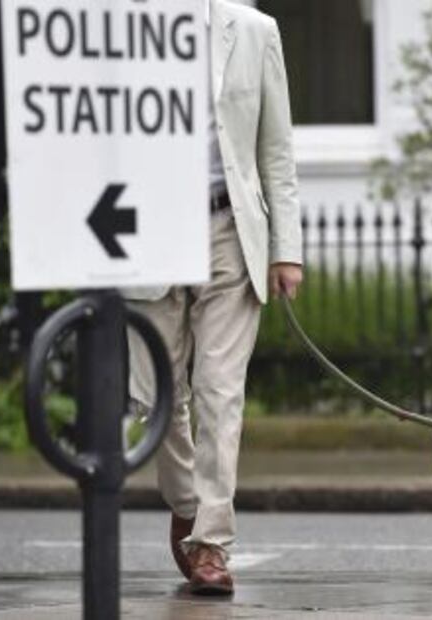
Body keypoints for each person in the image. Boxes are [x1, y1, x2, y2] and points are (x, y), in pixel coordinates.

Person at [123, 0, 303, 595]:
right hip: (151, 229)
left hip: (229, 227)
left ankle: (210, 542)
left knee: (221, 391)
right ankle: (188, 502)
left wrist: (286, 249)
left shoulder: (254, 31)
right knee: (156, 394)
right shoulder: (129, 24)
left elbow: (276, 151)